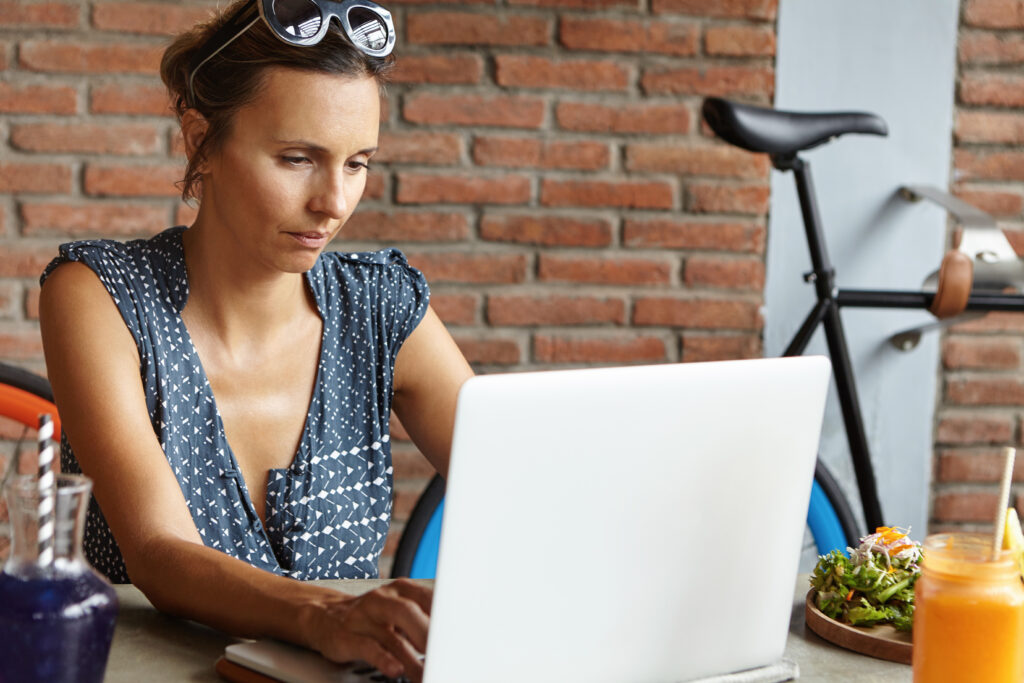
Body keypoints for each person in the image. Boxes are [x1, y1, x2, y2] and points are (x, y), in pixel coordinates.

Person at [37, 1, 473, 680]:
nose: (333, 202)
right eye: (297, 158)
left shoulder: (381, 307)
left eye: (357, 163)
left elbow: (531, 490)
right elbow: (157, 550)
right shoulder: (100, 295)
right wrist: (327, 616)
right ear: (200, 140)